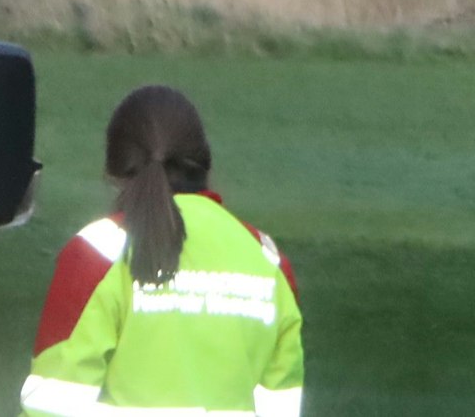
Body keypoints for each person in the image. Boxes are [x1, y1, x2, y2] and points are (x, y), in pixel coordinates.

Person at [22, 86, 304, 417]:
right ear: (205, 167)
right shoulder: (266, 259)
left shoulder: (98, 253)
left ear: (113, 172)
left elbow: (52, 405)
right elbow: (280, 406)